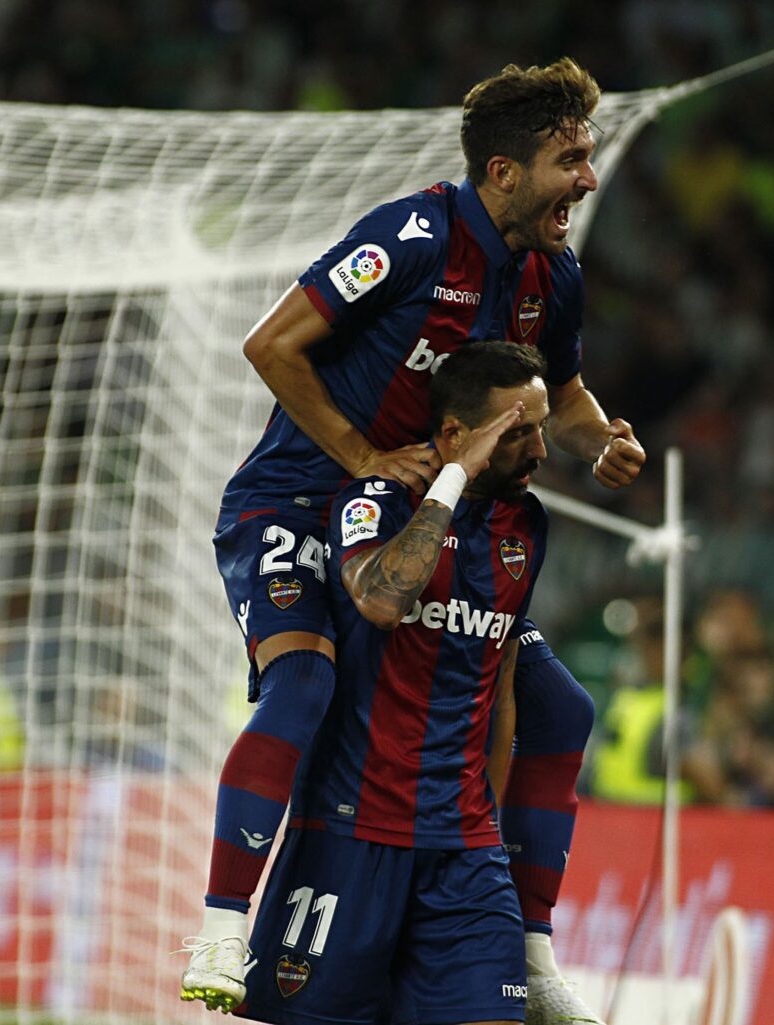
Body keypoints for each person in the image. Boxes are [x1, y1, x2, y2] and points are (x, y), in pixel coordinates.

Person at [184, 58, 642, 1024]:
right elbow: (271, 344)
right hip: (298, 504)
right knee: (305, 684)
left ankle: (530, 945)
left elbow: (562, 394)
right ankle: (224, 924)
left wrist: (601, 439)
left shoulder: (552, 274)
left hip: (425, 520)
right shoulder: (412, 238)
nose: (589, 179)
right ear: (504, 172)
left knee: (557, 706)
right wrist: (363, 456)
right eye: (570, 160)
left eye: (588, 156)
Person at [226, 342, 550, 1025]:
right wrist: (452, 481)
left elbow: (500, 686)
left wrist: (487, 826)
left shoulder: (525, 526)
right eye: (517, 433)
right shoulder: (372, 499)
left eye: (541, 429)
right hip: (350, 838)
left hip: (465, 853)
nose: (540, 451)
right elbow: (380, 599)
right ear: (456, 433)